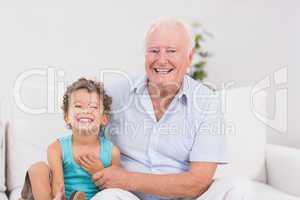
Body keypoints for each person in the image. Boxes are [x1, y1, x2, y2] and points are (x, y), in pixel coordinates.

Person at [91, 17, 227, 200]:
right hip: (128, 197)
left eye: (171, 51)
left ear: (189, 57)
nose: (161, 60)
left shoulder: (207, 102)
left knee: (239, 188)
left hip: (184, 198)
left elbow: (198, 182)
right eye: (154, 51)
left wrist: (128, 179)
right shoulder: (115, 92)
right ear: (146, 55)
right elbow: (82, 137)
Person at [19, 78, 121, 200]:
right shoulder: (57, 148)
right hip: (57, 196)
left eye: (93, 106)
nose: (86, 111)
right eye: (78, 106)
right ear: (67, 117)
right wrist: (58, 196)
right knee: (38, 168)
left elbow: (114, 190)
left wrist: (99, 172)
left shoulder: (112, 152)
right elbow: (57, 184)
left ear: (104, 118)